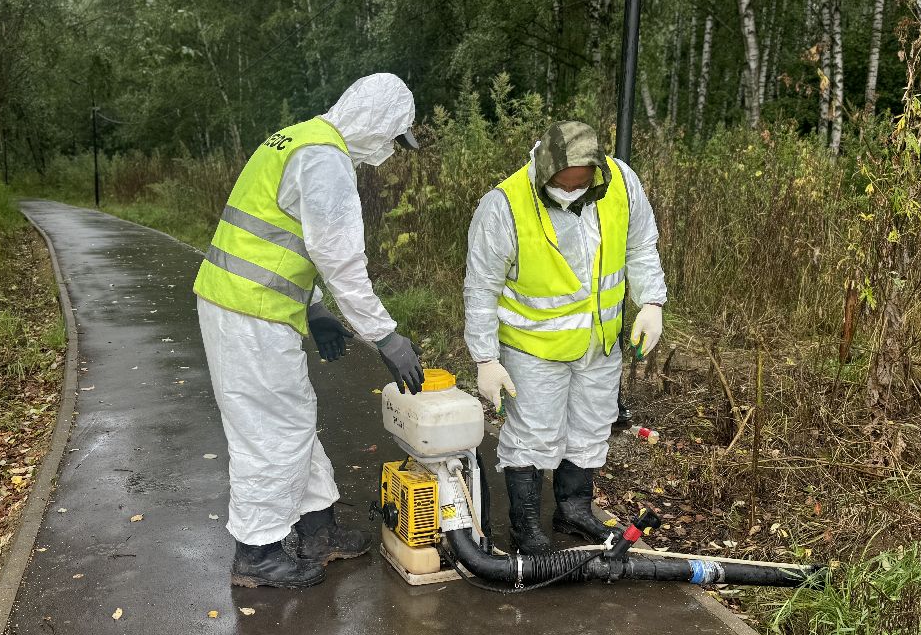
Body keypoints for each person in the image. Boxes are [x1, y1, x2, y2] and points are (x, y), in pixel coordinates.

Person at [194, 73, 425, 589]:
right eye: (393, 138)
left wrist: (315, 308)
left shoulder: (297, 137)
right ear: (379, 122)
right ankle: (257, 553)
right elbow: (340, 258)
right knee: (270, 429)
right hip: (248, 314)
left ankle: (319, 531)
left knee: (292, 417)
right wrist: (385, 336)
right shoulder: (325, 159)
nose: (389, 151)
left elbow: (279, 238)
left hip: (247, 307)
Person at [463, 120, 667, 555]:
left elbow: (641, 245)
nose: (571, 192)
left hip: (600, 343)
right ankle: (526, 526)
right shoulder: (504, 205)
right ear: (543, 169)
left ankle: (573, 510)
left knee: (591, 428)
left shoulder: (621, 183)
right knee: (533, 436)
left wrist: (652, 303)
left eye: (581, 183)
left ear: (597, 170)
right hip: (534, 349)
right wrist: (485, 358)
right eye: (561, 184)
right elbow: (480, 288)